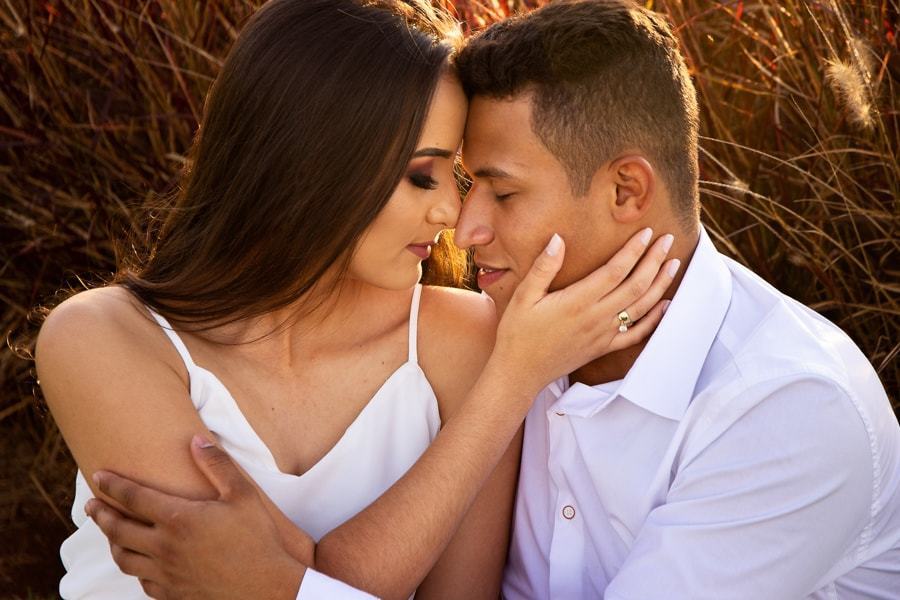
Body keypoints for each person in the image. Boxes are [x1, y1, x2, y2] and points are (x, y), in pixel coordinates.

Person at [84, 0, 900, 598]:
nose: (462, 229)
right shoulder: (515, 340)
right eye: (455, 181)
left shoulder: (789, 408)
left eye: (499, 194)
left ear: (625, 190)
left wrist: (279, 589)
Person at [35, 0, 676, 598]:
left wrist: (509, 380)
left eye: (455, 176)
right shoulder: (103, 338)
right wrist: (506, 388)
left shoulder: (469, 342)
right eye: (422, 174)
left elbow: (263, 580)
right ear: (314, 159)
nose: (452, 212)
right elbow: (251, 582)